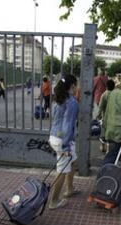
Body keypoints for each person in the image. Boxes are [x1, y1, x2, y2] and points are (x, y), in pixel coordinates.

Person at [48, 74, 79, 210]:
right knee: (61, 171)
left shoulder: (58, 98)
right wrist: (65, 147)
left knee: (72, 162)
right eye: (76, 85)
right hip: (63, 141)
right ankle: (53, 201)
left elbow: (56, 120)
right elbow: (67, 125)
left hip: (56, 137)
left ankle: (70, 189)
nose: (78, 87)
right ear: (72, 86)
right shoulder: (71, 102)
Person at [97, 79, 116, 153]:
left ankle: (103, 147)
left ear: (106, 86)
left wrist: (98, 116)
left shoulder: (104, 94)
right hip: (114, 118)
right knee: (110, 134)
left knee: (103, 133)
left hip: (105, 117)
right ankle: (108, 149)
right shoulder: (115, 95)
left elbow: (101, 107)